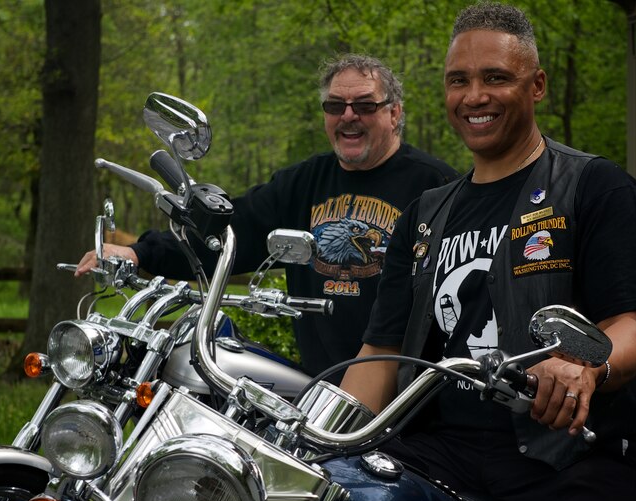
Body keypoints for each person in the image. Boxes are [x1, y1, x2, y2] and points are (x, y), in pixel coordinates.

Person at [339, 2, 636, 501]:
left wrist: (584, 368)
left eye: (495, 77)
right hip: (441, 450)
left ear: (536, 85)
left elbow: (632, 330)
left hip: (570, 456)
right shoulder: (425, 214)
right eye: (459, 80)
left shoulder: (595, 187)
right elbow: (382, 350)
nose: (474, 96)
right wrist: (323, 437)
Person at [75, 53, 461, 378]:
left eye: (364, 105)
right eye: (334, 106)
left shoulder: (435, 186)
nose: (348, 116)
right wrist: (141, 252)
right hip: (319, 391)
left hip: (409, 398)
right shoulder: (302, 183)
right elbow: (228, 235)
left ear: (394, 113)